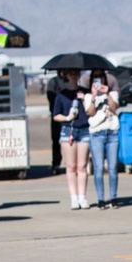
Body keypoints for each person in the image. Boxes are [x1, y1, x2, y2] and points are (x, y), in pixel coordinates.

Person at [52, 69, 91, 210]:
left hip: (84, 130)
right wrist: (68, 118)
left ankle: (82, 196)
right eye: (70, 73)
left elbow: (91, 111)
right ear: (66, 75)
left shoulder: (85, 92)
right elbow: (56, 115)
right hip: (68, 130)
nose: (73, 75)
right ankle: (73, 197)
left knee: (82, 166)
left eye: (76, 73)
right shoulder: (62, 95)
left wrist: (83, 99)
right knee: (71, 166)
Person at [85, 68, 120, 209]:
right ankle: (101, 199)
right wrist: (94, 97)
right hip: (97, 133)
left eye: (100, 76)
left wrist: (107, 94)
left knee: (112, 167)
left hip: (111, 132)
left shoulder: (112, 93)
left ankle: (113, 197)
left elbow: (114, 108)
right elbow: (90, 112)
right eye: (95, 76)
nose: (98, 79)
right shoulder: (88, 96)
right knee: (98, 168)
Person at [46, 71, 65, 174]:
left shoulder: (69, 82)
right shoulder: (53, 82)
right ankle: (56, 164)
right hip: (56, 116)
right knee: (56, 141)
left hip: (67, 116)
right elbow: (50, 97)